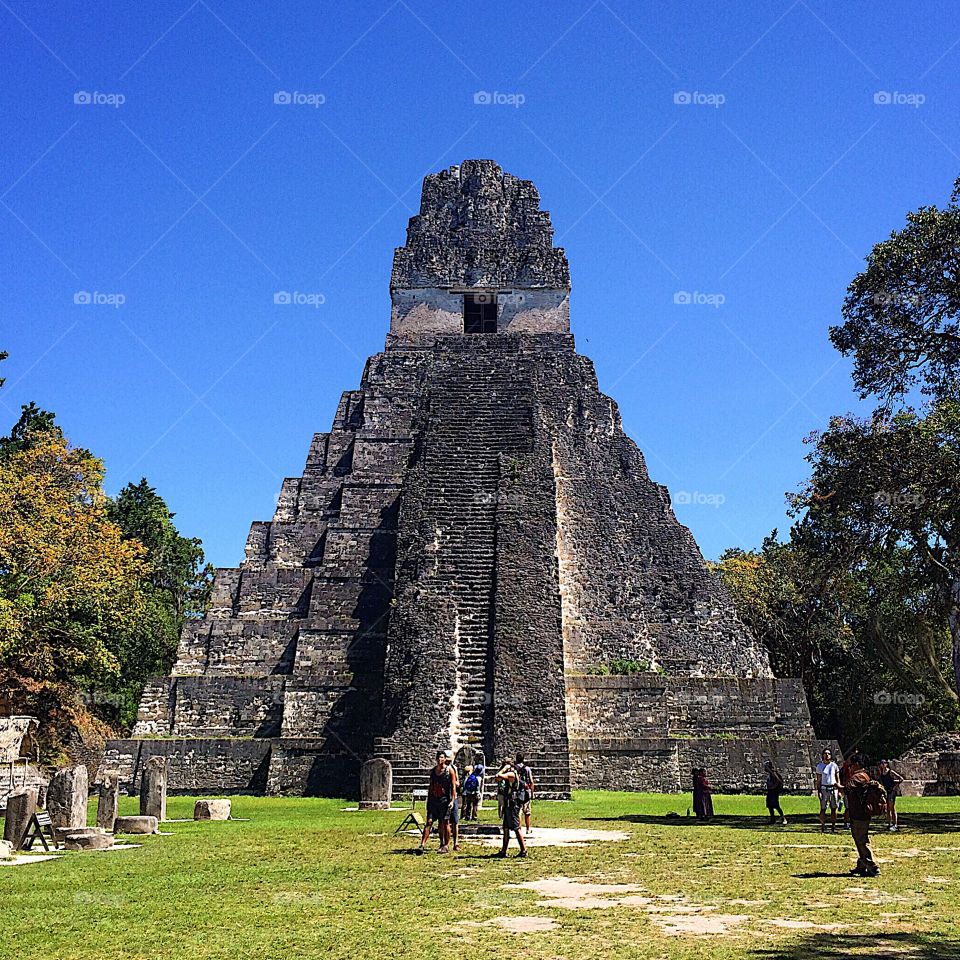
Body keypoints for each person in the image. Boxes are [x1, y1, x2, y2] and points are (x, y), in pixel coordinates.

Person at [845, 753, 886, 877]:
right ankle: (862, 864)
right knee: (859, 839)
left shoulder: (857, 777)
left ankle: (873, 865)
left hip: (859, 813)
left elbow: (847, 788)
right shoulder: (865, 776)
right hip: (862, 812)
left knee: (861, 840)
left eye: (851, 765)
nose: (849, 768)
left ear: (857, 764)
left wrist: (836, 784)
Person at [417, 751, 456, 855]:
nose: (440, 760)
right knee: (429, 822)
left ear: (445, 759)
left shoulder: (449, 771)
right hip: (434, 800)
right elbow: (431, 786)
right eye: (438, 758)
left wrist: (452, 800)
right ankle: (422, 845)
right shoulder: (433, 771)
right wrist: (429, 800)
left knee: (444, 822)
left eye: (442, 758)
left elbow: (453, 787)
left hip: (445, 801)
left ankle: (445, 845)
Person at [495, 761, 528, 858]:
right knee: (505, 828)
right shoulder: (509, 775)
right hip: (508, 804)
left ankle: (523, 850)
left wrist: (504, 769)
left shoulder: (512, 774)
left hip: (513, 805)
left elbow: (498, 775)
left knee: (516, 828)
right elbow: (497, 778)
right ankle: (503, 850)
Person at [815, 748, 840, 832]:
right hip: (824, 788)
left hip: (833, 788)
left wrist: (839, 790)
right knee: (823, 808)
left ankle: (833, 826)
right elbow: (818, 780)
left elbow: (837, 778)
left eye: (829, 753)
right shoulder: (820, 766)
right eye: (825, 753)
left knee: (834, 808)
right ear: (822, 755)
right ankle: (823, 825)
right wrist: (818, 791)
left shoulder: (834, 765)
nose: (827, 755)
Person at [878, 760, 904, 832]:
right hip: (886, 791)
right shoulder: (881, 773)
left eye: (883, 763)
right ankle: (889, 824)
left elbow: (901, 778)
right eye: (881, 764)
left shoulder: (891, 772)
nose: (882, 765)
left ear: (886, 764)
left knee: (892, 808)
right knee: (887, 809)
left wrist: (895, 785)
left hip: (891, 791)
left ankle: (895, 824)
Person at [514, 753, 535, 836]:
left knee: (518, 812)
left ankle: (519, 828)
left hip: (517, 792)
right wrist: (532, 792)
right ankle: (528, 828)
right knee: (527, 811)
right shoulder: (527, 769)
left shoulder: (514, 769)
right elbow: (531, 781)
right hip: (526, 792)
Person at [764, 760, 787, 825]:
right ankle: (772, 819)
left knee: (776, 805)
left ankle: (783, 818)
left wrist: (773, 787)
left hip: (773, 792)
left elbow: (778, 781)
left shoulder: (773, 773)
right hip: (770, 791)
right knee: (770, 806)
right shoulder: (770, 774)